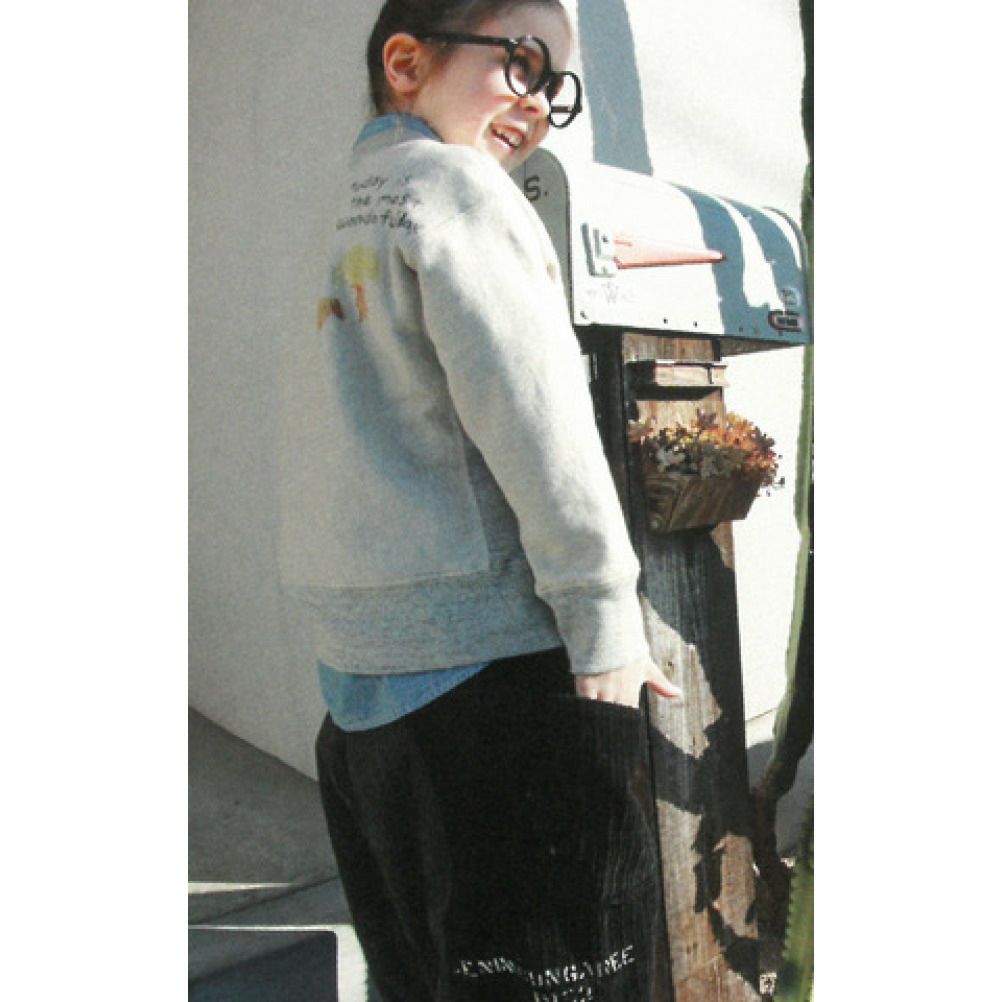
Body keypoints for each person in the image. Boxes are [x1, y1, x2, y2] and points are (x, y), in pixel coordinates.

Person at [279, 1, 683, 998]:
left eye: (557, 87)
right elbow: (536, 420)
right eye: (524, 64)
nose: (540, 103)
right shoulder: (460, 190)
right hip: (490, 684)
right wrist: (605, 622)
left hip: (361, 695)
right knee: (566, 973)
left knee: (424, 975)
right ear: (406, 62)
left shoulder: (337, 210)